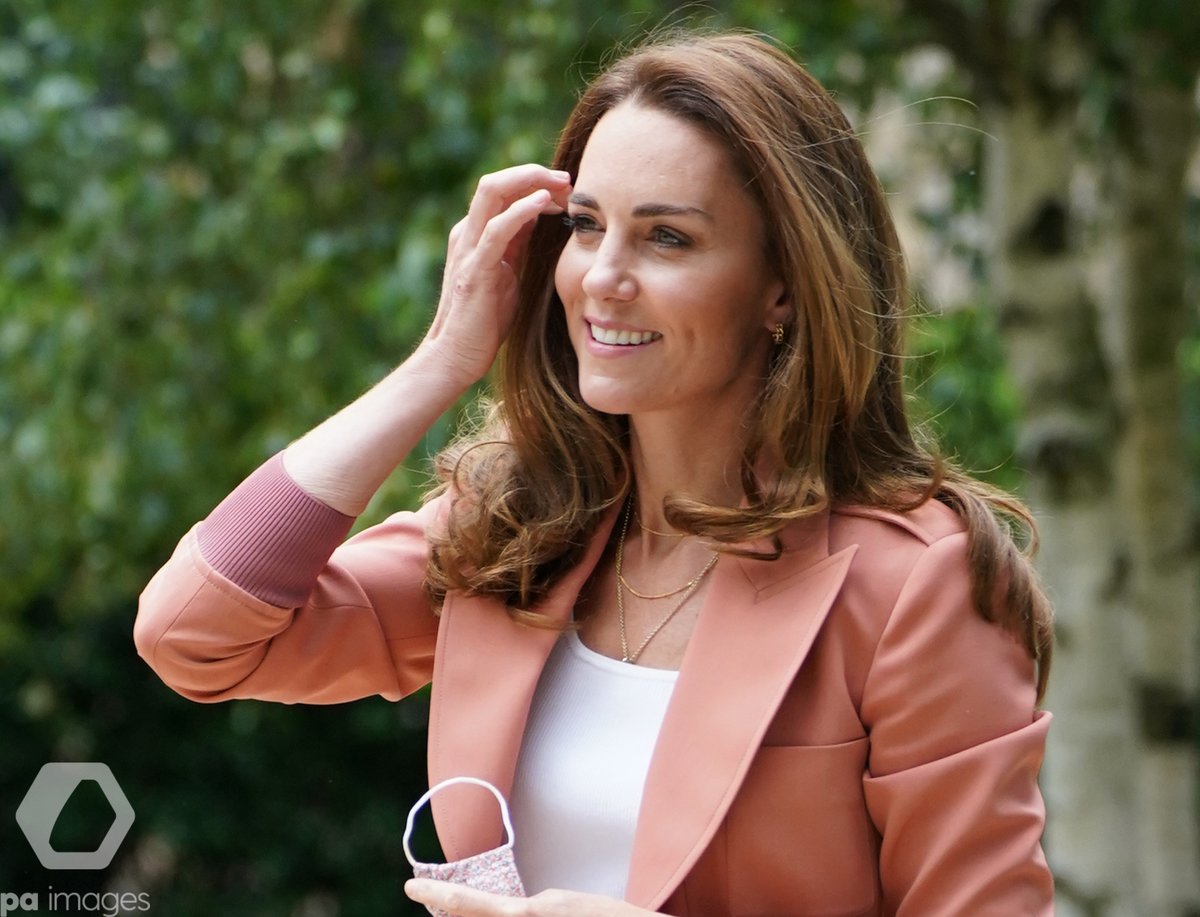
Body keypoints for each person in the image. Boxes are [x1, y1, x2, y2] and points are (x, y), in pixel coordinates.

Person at [135, 29, 1055, 916]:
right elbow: (194, 633)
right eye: (585, 226)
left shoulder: (913, 581)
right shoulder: (513, 527)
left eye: (667, 239)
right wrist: (440, 363)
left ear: (783, 286)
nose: (603, 276)